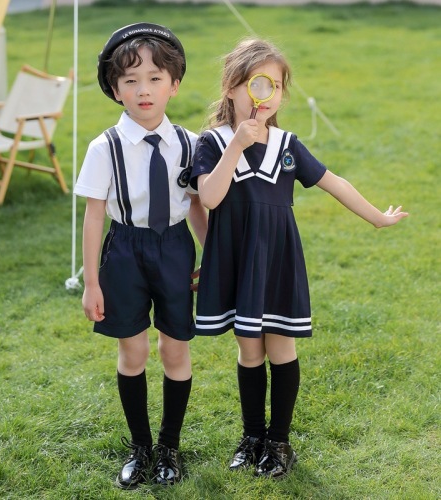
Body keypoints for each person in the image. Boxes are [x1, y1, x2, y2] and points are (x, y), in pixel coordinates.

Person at [190, 38, 408, 480]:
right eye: (258, 83)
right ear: (233, 88)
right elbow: (209, 198)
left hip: (277, 258)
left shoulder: (288, 143)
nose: (266, 96)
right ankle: (253, 437)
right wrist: (236, 145)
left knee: (280, 348)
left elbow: (334, 181)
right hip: (236, 258)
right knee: (249, 351)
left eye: (276, 86)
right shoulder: (211, 143)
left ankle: (279, 441)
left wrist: (376, 219)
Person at [74, 22, 207, 489]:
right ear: (115, 90)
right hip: (125, 249)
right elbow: (94, 217)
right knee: (133, 351)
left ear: (174, 84)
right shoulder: (104, 147)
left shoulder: (191, 144)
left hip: (173, 248)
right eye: (130, 80)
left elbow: (194, 203)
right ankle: (141, 446)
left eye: (154, 78)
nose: (143, 90)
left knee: (175, 348)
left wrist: (208, 256)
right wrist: (92, 282)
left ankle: (170, 447)